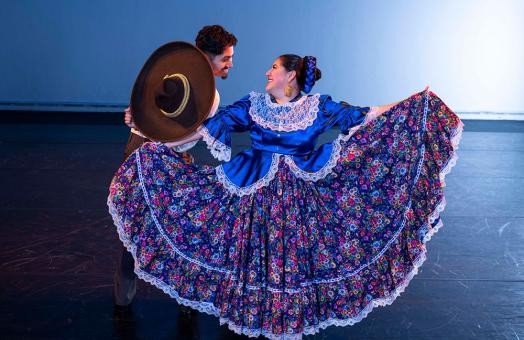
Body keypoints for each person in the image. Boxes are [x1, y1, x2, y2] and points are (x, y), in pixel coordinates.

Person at [108, 53, 463, 338]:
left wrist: (413, 101)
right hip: (255, 194)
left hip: (300, 199)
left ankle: (290, 314)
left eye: (274, 68)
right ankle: (252, 312)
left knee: (296, 259)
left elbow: (365, 115)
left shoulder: (319, 108)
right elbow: (199, 132)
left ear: (290, 75)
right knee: (251, 255)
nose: (267, 71)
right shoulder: (251, 106)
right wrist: (148, 129)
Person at [113, 25, 238, 309]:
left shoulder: (175, 74)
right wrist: (138, 119)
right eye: (226, 58)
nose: (231, 64)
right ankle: (179, 296)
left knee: (149, 223)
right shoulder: (207, 95)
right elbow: (178, 132)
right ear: (207, 59)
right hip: (153, 155)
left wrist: (137, 120)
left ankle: (164, 292)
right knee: (163, 224)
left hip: (144, 149)